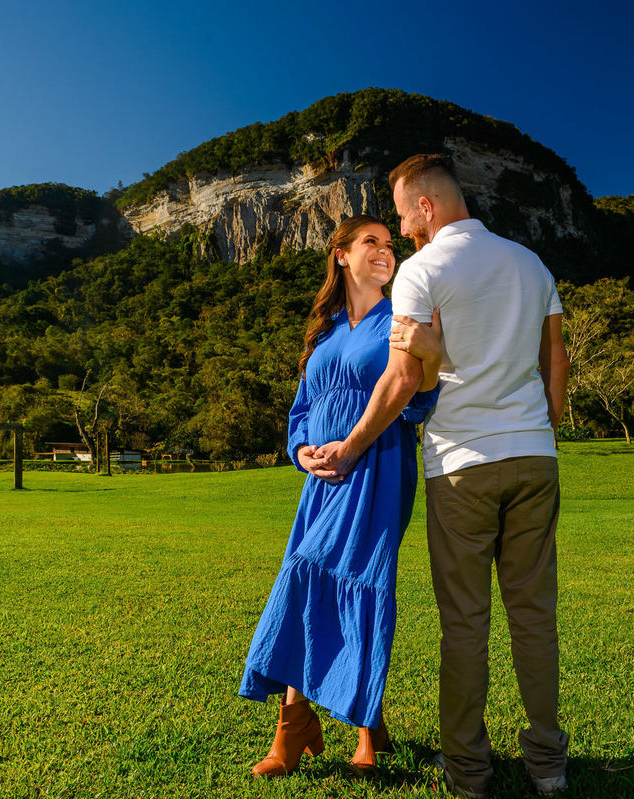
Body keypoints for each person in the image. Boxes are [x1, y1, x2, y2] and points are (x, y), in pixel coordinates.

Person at [315, 154, 571, 798]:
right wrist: (544, 430)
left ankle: (469, 772)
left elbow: (404, 377)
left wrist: (348, 446)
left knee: (465, 622)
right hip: (534, 458)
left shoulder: (423, 273)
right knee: (534, 616)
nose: (401, 232)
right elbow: (555, 357)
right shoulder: (530, 264)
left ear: (426, 205)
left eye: (402, 216)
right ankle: (548, 766)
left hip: (461, 466)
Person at [239, 215, 443, 778]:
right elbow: (301, 409)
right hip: (321, 479)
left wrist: (354, 442)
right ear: (341, 256)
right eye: (370, 242)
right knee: (307, 577)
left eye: (390, 244)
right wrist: (302, 450)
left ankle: (346, 725)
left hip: (377, 467)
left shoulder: (401, 318)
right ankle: (314, 722)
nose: (385, 251)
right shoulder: (324, 330)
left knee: (357, 580)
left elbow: (420, 400)